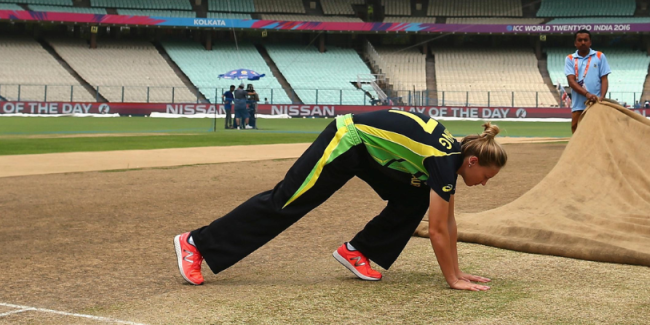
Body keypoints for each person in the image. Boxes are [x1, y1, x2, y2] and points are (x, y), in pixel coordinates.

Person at [173, 110, 507, 291]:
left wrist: (460, 271)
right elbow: (437, 231)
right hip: (347, 140)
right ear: (473, 161)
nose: (485, 184)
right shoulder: (444, 162)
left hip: (369, 152)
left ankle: (359, 251)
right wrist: (452, 280)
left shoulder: (450, 158)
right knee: (286, 202)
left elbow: (448, 222)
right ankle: (197, 243)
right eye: (487, 177)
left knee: (414, 196)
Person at [564, 29, 610, 134]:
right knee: (577, 137)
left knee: (597, 135)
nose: (583, 42)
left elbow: (604, 79)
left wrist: (601, 97)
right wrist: (587, 94)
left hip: (595, 105)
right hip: (578, 106)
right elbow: (571, 82)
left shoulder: (599, 56)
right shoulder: (570, 59)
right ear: (575, 43)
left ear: (590, 42)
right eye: (580, 40)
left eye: (586, 40)